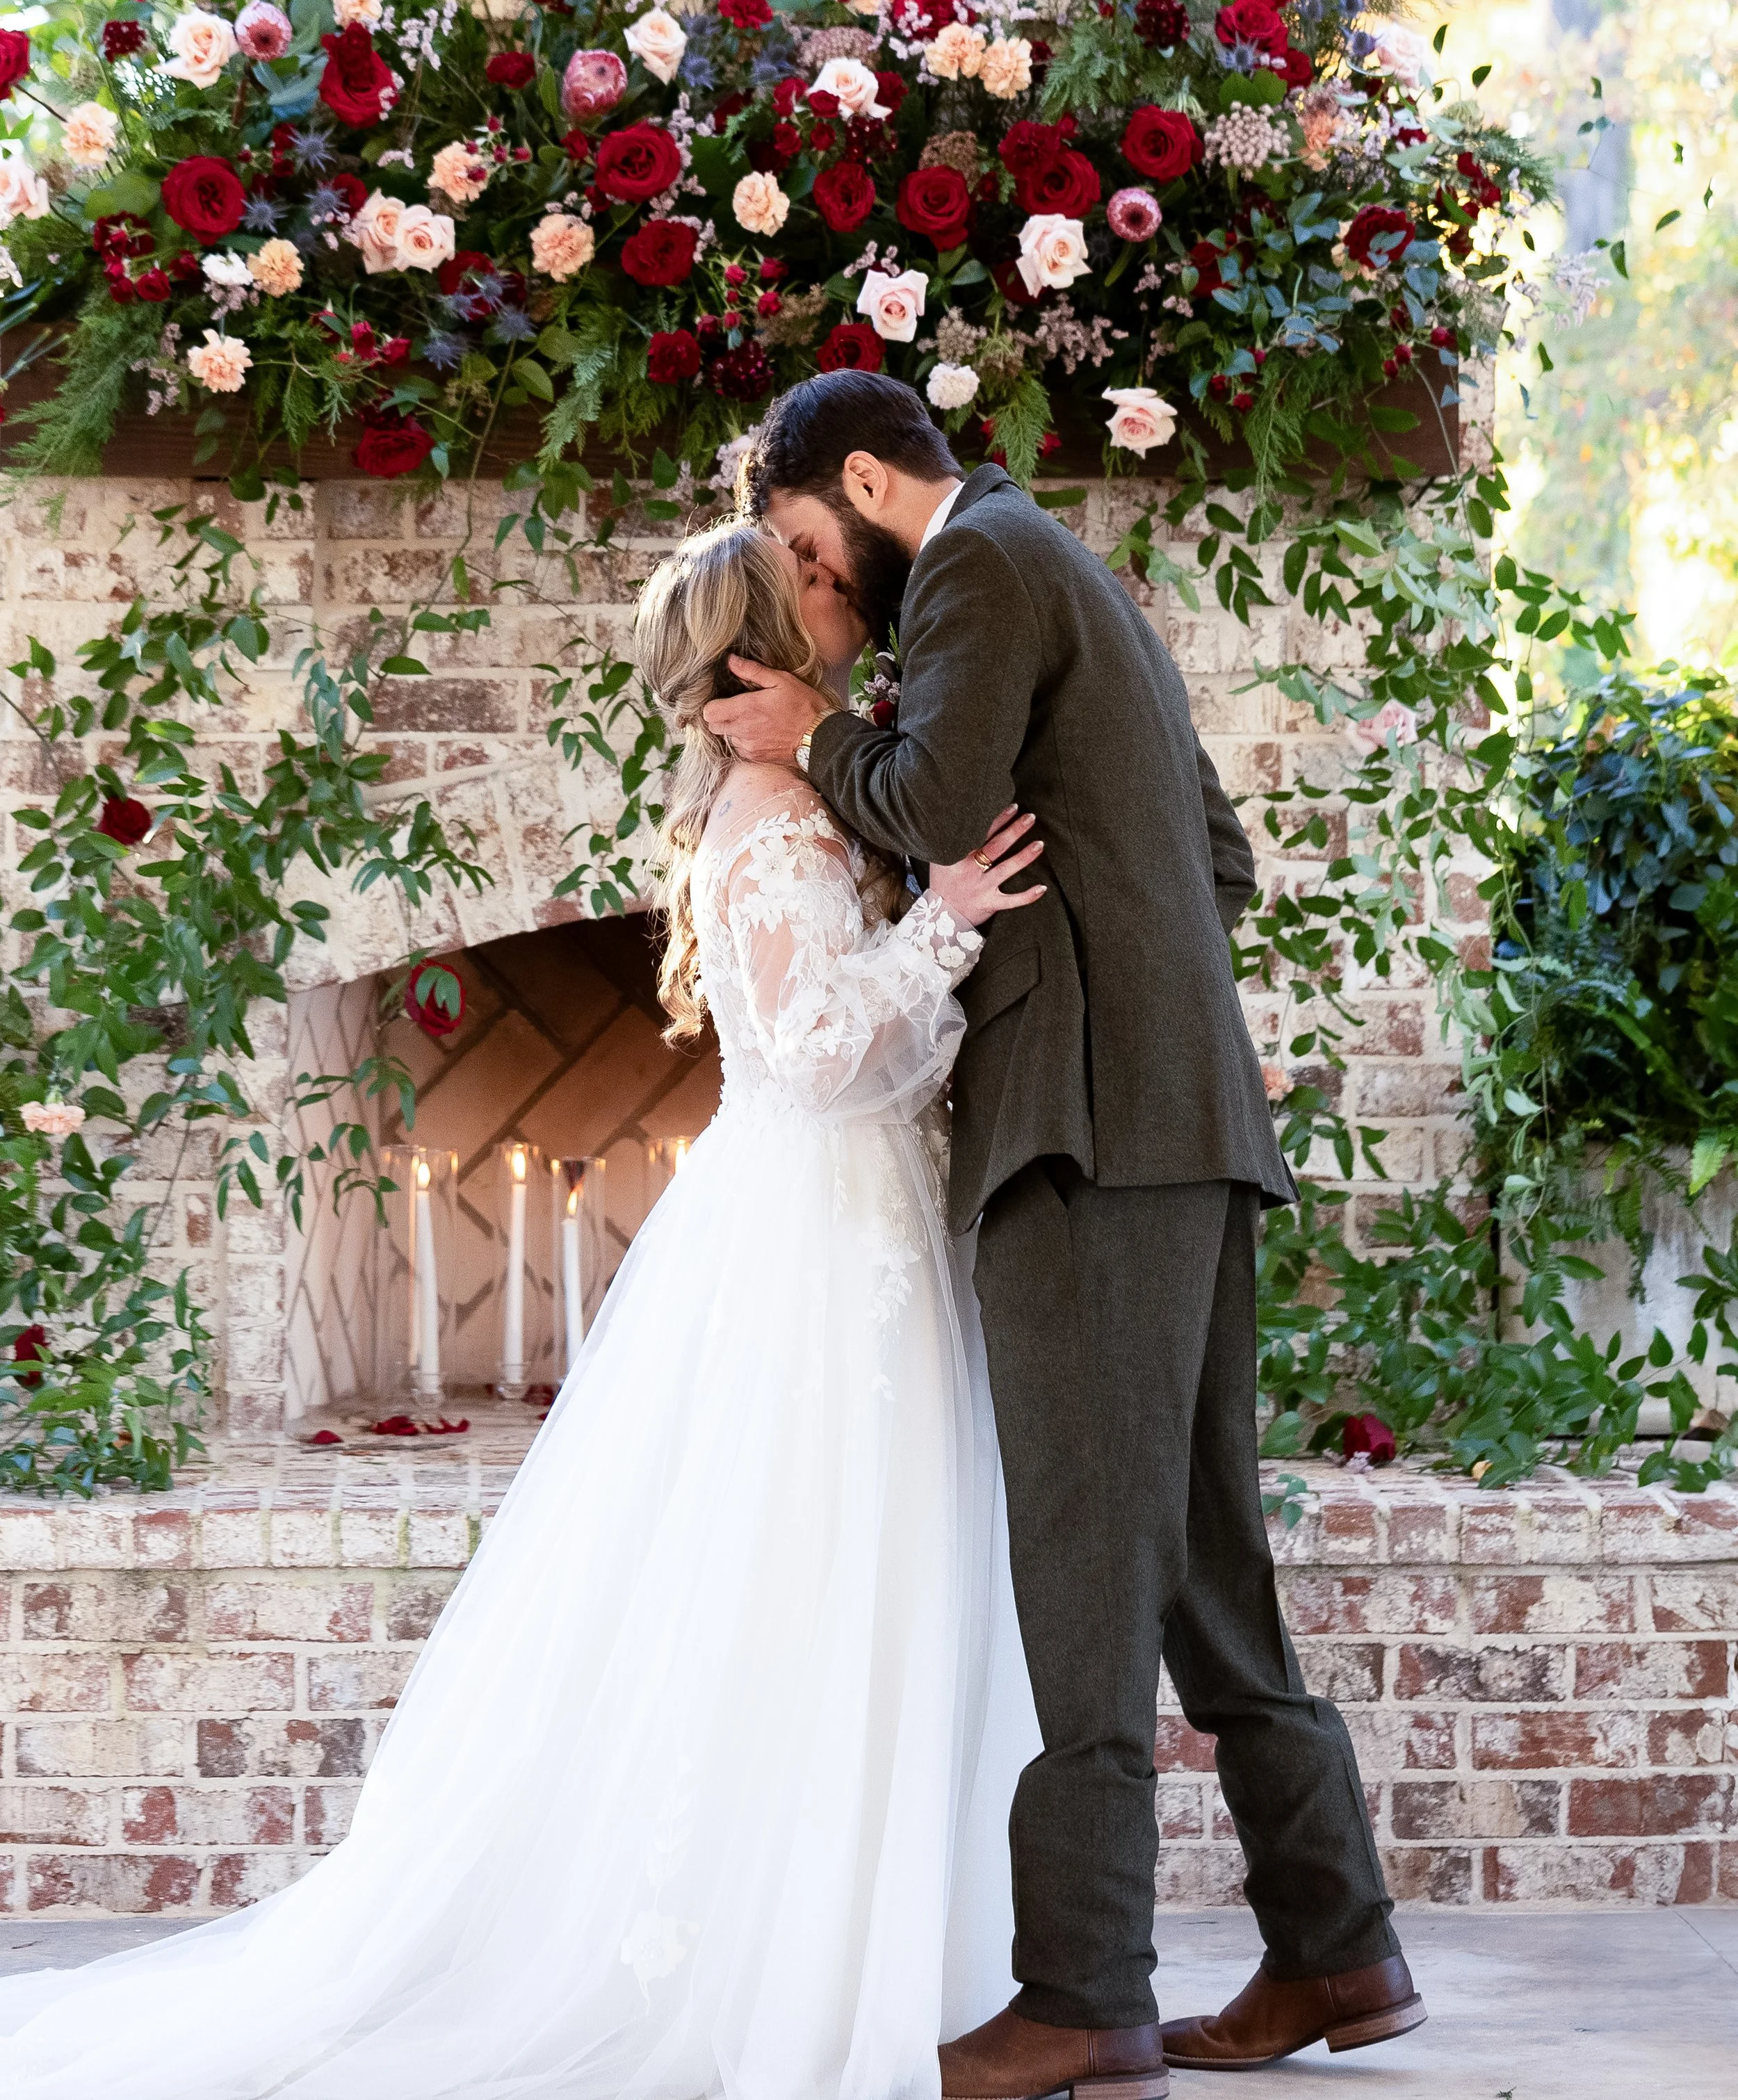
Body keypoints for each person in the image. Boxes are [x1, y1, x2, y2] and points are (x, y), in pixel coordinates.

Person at [0, 520, 1051, 2100]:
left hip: (863, 1227)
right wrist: (948, 917)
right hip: (814, 1245)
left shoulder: (810, 796)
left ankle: (866, 1946)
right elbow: (825, 1050)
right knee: (808, 1566)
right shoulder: (766, 822)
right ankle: (783, 1968)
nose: (850, 601)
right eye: (820, 588)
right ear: (758, 642)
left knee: (863, 1569)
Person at [704, 373, 1424, 2096]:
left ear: (869, 484)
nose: (823, 582)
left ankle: (1082, 1994)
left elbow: (941, 799)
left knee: (1087, 1572)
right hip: (1176, 1130)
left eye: (812, 541)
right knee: (1190, 1552)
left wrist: (808, 733)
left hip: (1090, 1139)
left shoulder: (973, 566)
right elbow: (1219, 856)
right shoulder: (1073, 578)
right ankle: (1337, 1948)